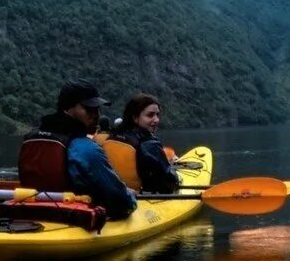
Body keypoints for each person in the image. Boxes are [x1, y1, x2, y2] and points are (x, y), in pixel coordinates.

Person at [19, 83, 136, 221]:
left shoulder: (30, 139)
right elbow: (121, 201)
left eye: (97, 109)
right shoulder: (87, 149)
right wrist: (131, 196)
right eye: (89, 109)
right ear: (68, 108)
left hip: (29, 213)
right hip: (71, 218)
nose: (96, 115)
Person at [108, 94, 183, 194]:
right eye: (150, 115)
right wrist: (176, 176)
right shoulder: (148, 143)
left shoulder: (113, 135)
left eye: (157, 115)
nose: (156, 120)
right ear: (135, 117)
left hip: (116, 193)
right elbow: (170, 181)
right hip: (143, 196)